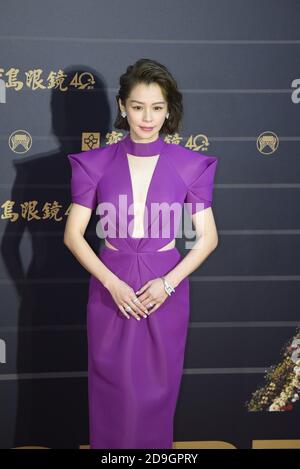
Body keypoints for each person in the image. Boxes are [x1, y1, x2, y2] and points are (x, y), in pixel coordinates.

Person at [63, 58, 219, 449]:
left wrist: (167, 284)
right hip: (109, 286)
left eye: (157, 107)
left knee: (155, 397)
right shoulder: (92, 163)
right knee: (111, 394)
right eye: (137, 107)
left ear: (169, 110)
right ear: (121, 107)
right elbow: (73, 235)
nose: (147, 118)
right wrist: (111, 283)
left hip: (164, 288)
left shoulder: (191, 165)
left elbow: (208, 238)